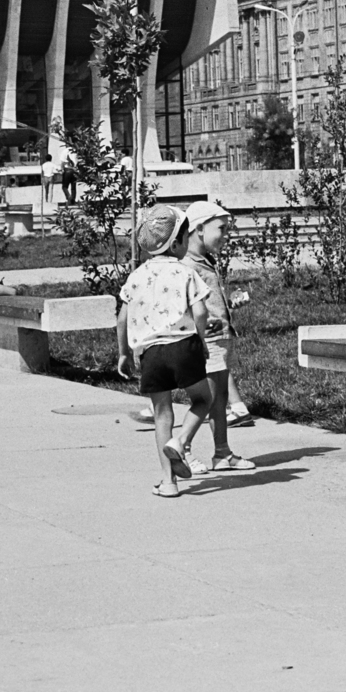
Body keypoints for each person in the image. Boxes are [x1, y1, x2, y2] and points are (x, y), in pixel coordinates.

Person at [115, 205, 213, 498]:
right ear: (177, 242)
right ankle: (181, 441)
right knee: (203, 398)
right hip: (184, 346)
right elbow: (201, 312)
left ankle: (169, 483)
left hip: (150, 353)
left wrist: (123, 352)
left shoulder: (136, 276)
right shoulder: (186, 272)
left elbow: (122, 317)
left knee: (162, 414)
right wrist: (202, 340)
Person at [174, 201, 256, 474]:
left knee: (220, 396)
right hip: (206, 341)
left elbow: (208, 302)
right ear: (199, 229)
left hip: (220, 337)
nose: (225, 235)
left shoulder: (204, 262)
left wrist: (228, 304)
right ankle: (181, 447)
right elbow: (181, 307)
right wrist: (196, 324)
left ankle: (222, 453)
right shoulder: (187, 265)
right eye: (221, 228)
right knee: (207, 397)